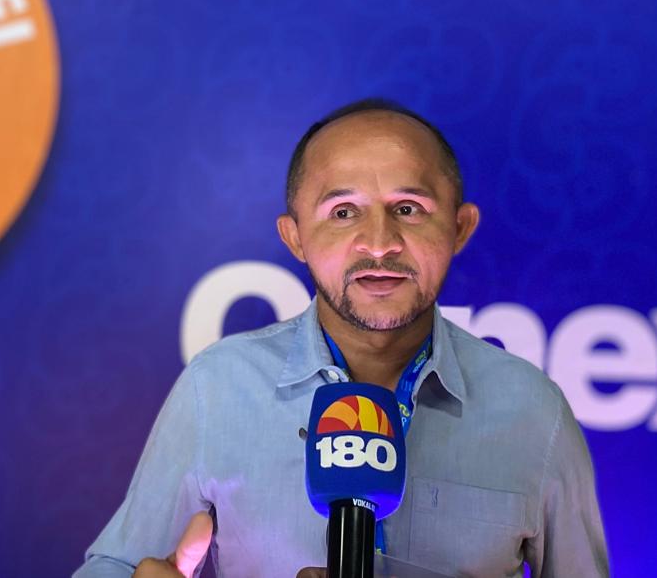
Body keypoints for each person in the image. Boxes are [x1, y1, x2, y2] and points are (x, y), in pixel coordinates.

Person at [73, 99, 609, 578]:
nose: (378, 243)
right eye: (343, 212)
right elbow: (114, 567)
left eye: (408, 208)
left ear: (459, 228)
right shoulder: (218, 387)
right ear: (295, 238)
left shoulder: (535, 411)